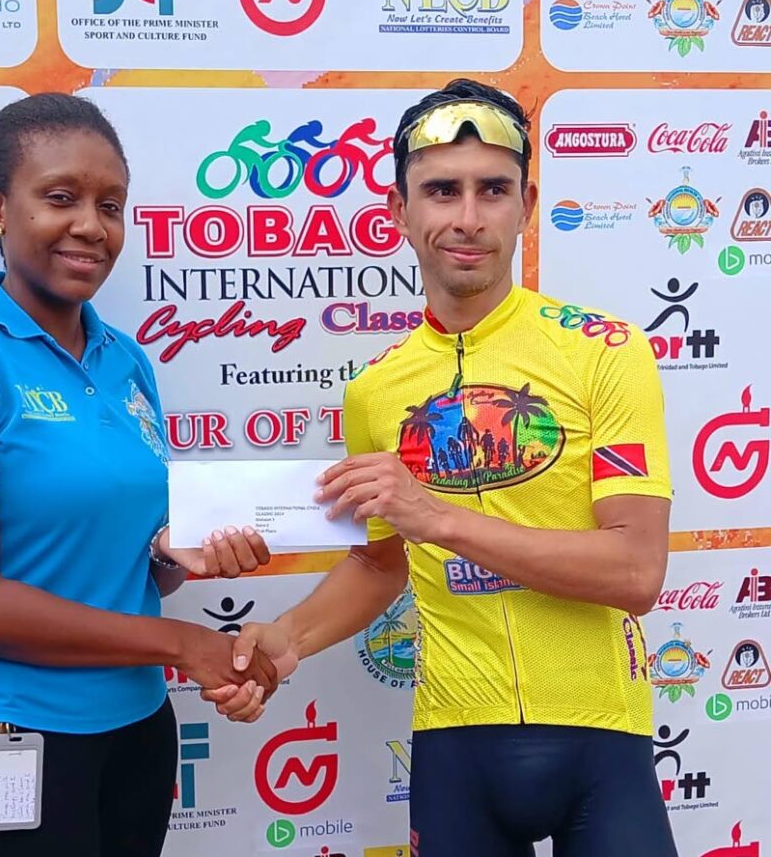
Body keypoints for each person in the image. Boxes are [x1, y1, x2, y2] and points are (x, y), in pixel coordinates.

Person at [205, 79, 677, 857]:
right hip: (456, 744)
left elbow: (635, 568)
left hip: (603, 741)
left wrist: (439, 516)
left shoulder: (607, 350)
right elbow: (381, 561)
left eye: (492, 189)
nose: (467, 217)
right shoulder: (376, 390)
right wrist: (286, 641)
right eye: (441, 190)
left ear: (525, 204)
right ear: (400, 211)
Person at [0, 93, 278, 857]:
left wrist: (168, 559)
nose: (92, 226)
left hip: (131, 725)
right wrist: (180, 643)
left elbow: (119, 571)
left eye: (111, 204)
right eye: (60, 197)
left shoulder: (125, 359)